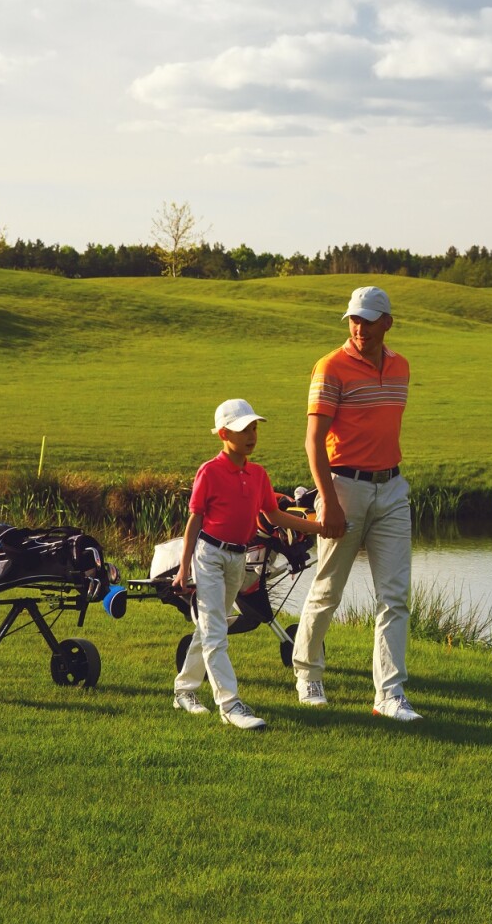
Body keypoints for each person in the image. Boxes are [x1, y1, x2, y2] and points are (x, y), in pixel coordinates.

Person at [291, 286, 421, 721]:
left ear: (388, 322)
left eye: (367, 320)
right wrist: (328, 501)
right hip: (345, 487)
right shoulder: (330, 367)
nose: (359, 328)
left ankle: (390, 694)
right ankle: (308, 675)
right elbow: (313, 441)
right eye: (354, 320)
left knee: (395, 597)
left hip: (393, 488)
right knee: (328, 589)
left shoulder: (401, 367)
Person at [173, 398, 322, 730]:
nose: (252, 435)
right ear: (224, 434)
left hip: (238, 558)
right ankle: (230, 704)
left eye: (254, 428)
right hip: (210, 556)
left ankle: (184, 690)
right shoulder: (209, 471)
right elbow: (194, 523)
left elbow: (275, 516)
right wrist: (183, 568)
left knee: (211, 627)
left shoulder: (257, 474)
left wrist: (320, 528)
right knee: (216, 631)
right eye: (243, 430)